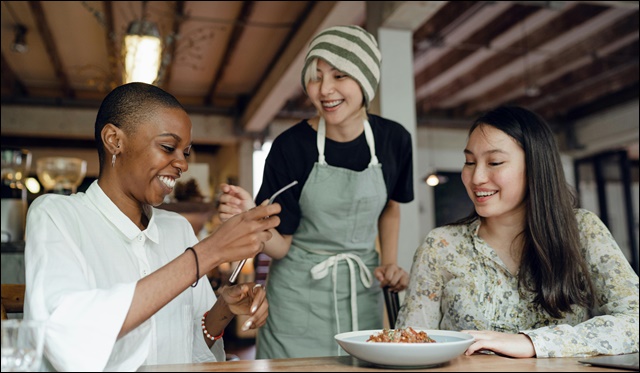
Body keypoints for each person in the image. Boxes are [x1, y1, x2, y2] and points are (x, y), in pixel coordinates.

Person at [23, 82, 281, 371]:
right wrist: (208, 253)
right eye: (169, 147)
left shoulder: (177, 229)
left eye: (185, 152)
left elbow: (191, 346)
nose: (182, 164)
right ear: (114, 140)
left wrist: (223, 310)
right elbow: (67, 339)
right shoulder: (57, 216)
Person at [217, 25, 414, 359]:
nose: (324, 89)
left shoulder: (394, 140)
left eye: (339, 76)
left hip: (360, 290)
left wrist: (390, 263)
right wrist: (250, 219)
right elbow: (278, 247)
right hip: (297, 299)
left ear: (365, 81)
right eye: (316, 76)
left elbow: (391, 206)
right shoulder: (291, 148)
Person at [396, 105, 639, 358]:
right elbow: (409, 345)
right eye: (469, 162)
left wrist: (532, 343)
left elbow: (635, 321)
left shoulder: (581, 230)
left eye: (495, 162)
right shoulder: (442, 245)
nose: (476, 177)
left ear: (536, 166)